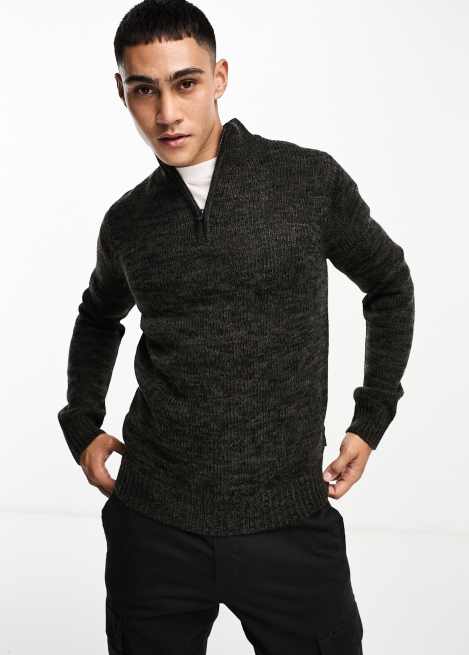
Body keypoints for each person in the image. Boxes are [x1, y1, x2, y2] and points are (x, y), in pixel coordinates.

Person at [57, 1, 415, 653]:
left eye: (185, 83)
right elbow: (98, 315)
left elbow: (388, 284)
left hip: (288, 519)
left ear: (219, 77)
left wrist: (372, 416)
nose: (167, 113)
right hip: (153, 526)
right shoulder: (128, 222)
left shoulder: (306, 182)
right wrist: (81, 421)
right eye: (145, 90)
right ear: (122, 92)